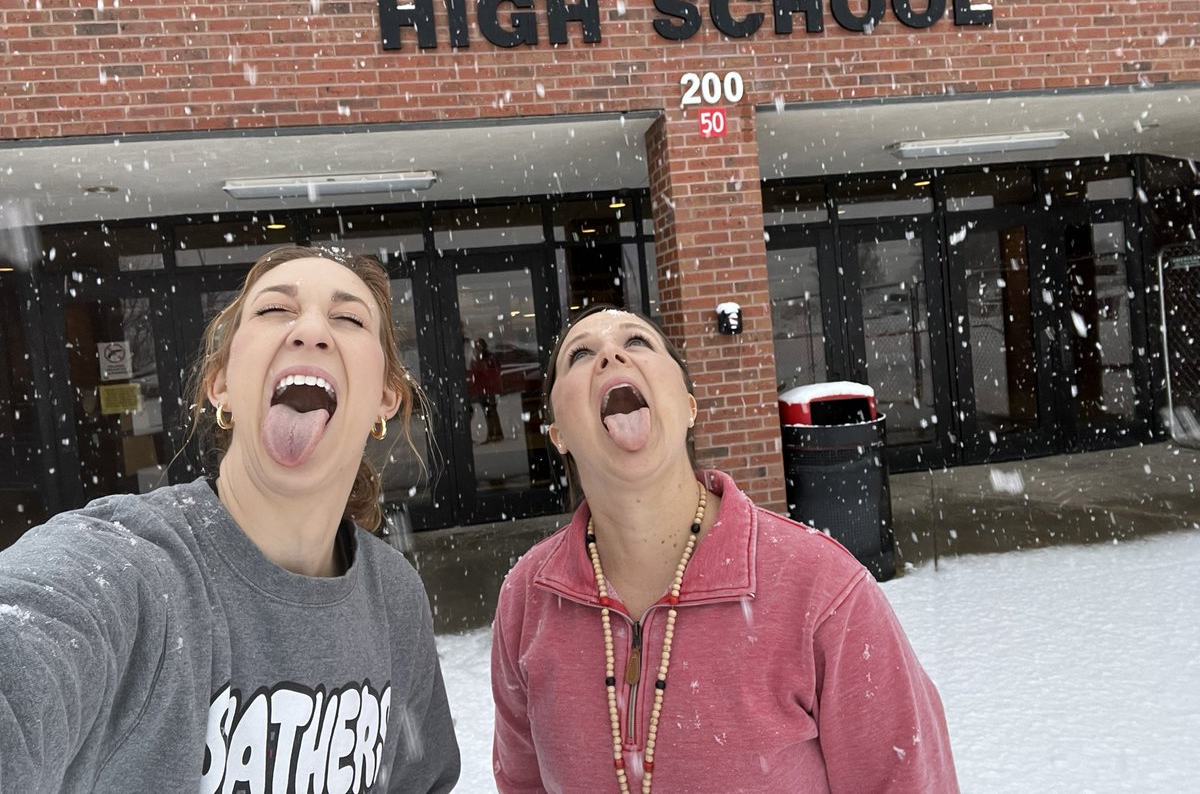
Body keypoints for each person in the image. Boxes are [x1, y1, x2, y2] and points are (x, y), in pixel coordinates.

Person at [0, 245, 460, 793]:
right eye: (275, 310)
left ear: (386, 398)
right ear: (220, 385)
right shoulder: (128, 569)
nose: (310, 331)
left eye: (348, 318)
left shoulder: (396, 599)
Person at [491, 305, 958, 793]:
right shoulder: (526, 599)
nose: (611, 354)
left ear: (689, 405)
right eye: (581, 354)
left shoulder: (822, 589)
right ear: (559, 435)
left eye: (637, 342)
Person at [468, 337, 505, 443]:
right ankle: (493, 433)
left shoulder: (488, 358)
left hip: (489, 388)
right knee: (489, 412)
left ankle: (495, 433)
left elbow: (492, 372)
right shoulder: (480, 358)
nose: (476, 349)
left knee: (491, 411)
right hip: (484, 388)